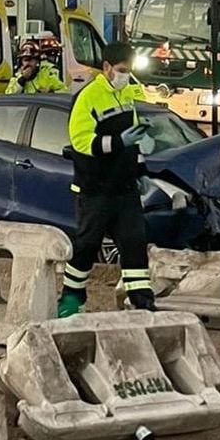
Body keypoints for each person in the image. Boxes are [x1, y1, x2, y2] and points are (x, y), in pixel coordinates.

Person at [57, 42, 155, 318]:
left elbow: (133, 141)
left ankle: (142, 301)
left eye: (129, 71)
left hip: (124, 188)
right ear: (107, 68)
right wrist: (118, 142)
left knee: (134, 243)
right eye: (122, 70)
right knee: (87, 246)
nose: (126, 76)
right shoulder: (88, 97)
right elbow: (81, 141)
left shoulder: (125, 95)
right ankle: (71, 301)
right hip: (94, 189)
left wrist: (141, 168)